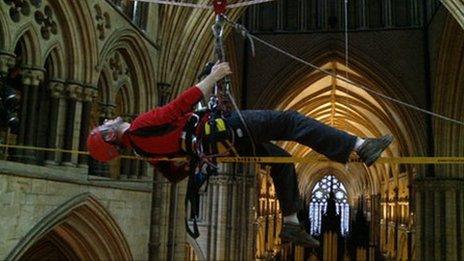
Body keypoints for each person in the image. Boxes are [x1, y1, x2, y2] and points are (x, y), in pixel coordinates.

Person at [87, 62, 393, 246]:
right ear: (110, 136)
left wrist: (196, 157)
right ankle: (359, 146)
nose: (105, 120)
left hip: (219, 143)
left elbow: (175, 173)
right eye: (103, 126)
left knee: (283, 162)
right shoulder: (139, 127)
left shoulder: (142, 149)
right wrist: (212, 77)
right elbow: (179, 106)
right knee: (291, 121)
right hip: (226, 132)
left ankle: (289, 222)